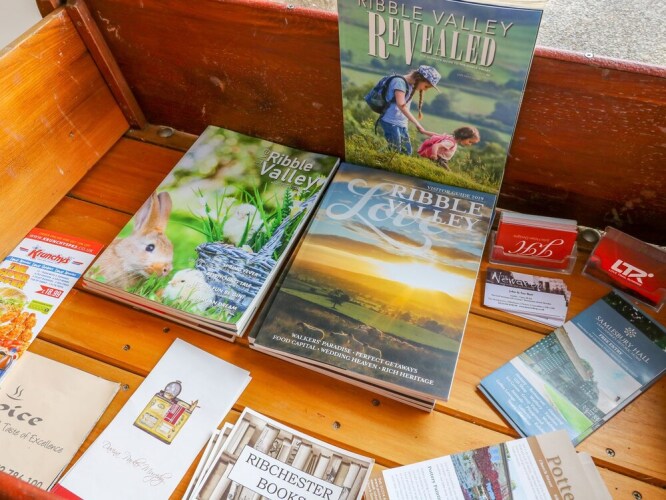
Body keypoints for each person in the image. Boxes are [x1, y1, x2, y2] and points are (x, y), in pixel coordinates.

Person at [379, 65, 440, 155]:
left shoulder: (410, 85)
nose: (425, 89)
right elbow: (402, 106)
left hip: (401, 123)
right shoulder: (399, 82)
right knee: (394, 150)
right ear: (420, 78)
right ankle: (373, 159)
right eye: (426, 86)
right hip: (390, 121)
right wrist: (418, 124)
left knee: (406, 152)